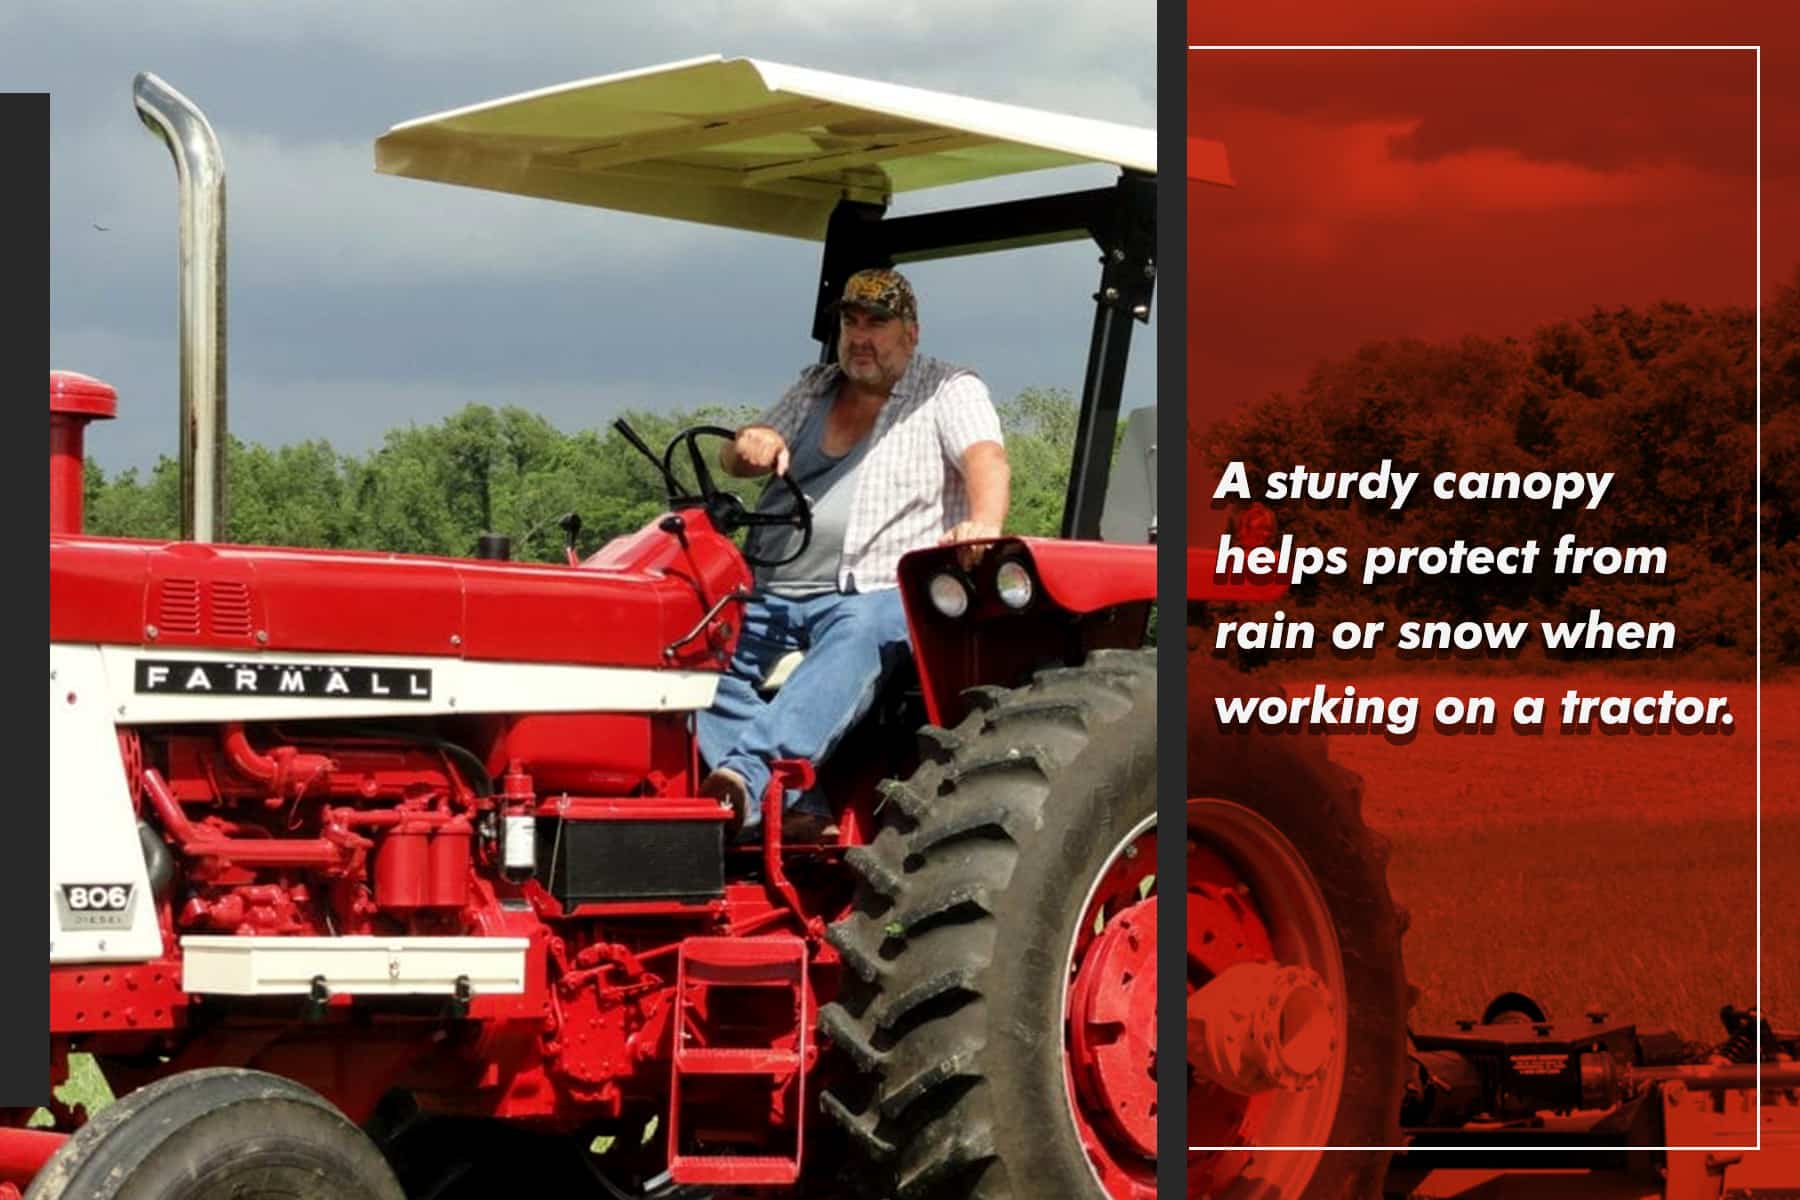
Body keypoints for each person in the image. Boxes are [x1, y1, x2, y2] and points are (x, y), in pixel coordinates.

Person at [695, 267, 1010, 839]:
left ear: (910, 333)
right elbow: (737, 458)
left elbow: (986, 458)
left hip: (873, 589)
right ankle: (798, 807)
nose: (860, 337)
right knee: (687, 652)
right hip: (772, 587)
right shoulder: (815, 386)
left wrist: (983, 524)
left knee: (865, 630)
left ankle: (747, 780)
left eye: (878, 324)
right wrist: (750, 442)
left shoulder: (947, 389)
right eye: (851, 322)